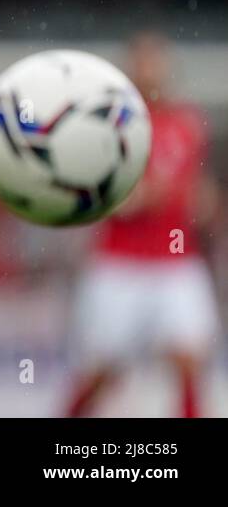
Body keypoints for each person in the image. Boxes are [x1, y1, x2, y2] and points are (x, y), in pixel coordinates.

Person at [65, 32, 220, 417]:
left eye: (156, 60)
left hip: (177, 260)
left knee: (189, 359)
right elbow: (104, 198)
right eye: (143, 61)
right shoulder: (110, 127)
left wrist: (203, 201)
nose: (150, 70)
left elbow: (200, 190)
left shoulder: (188, 124)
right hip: (121, 263)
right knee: (103, 372)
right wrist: (139, 198)